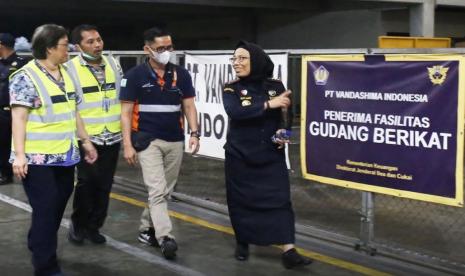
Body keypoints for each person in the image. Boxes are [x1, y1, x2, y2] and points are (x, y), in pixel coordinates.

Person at [9, 24, 97, 276]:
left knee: (56, 207)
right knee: (46, 209)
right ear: (49, 48)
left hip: (65, 156)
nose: (69, 49)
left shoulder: (67, 74)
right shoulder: (25, 77)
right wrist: (20, 155)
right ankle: (45, 266)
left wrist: (86, 141)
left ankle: (38, 239)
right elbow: (19, 119)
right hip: (37, 159)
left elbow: (74, 112)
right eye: (64, 45)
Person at [222, 40, 312, 269]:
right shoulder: (231, 88)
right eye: (234, 59)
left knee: (280, 200)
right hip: (240, 155)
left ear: (257, 60)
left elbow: (286, 112)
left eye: (242, 58)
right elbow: (237, 112)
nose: (237, 63)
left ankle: (289, 250)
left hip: (270, 154)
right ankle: (243, 242)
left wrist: (284, 131)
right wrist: (268, 104)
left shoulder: (276, 85)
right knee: (241, 201)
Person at [120, 26, 200, 260]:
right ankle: (165, 237)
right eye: (160, 48)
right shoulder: (134, 76)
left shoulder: (181, 75)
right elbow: (125, 113)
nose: (166, 52)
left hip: (175, 140)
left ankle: (147, 229)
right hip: (147, 141)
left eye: (169, 47)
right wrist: (127, 144)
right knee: (156, 190)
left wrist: (194, 133)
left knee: (165, 191)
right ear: (147, 49)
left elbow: (188, 106)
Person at [66, 24, 123, 245]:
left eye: (98, 39)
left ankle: (94, 226)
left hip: (112, 136)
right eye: (90, 41)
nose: (97, 44)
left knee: (105, 184)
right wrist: (83, 138)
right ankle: (78, 225)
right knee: (86, 182)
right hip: (87, 137)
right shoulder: (70, 69)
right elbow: (72, 106)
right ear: (78, 46)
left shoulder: (113, 64)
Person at [0, 33, 28, 185]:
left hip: (15, 112)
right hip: (1, 112)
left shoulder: (22, 63)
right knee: (2, 144)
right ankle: (5, 173)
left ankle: (23, 168)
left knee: (18, 142)